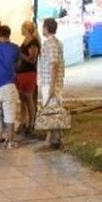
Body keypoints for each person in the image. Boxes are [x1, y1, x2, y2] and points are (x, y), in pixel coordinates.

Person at [37, 17, 65, 149]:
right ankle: (56, 137)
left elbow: (54, 64)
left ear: (47, 28)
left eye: (43, 26)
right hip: (50, 81)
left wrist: (52, 86)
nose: (42, 29)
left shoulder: (51, 44)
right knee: (54, 109)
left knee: (51, 110)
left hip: (50, 82)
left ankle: (51, 138)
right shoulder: (55, 42)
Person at [15, 21, 39, 136]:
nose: (21, 29)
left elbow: (32, 59)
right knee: (22, 99)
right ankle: (23, 121)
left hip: (29, 72)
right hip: (21, 72)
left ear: (26, 28)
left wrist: (20, 55)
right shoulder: (26, 41)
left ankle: (31, 122)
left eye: (22, 27)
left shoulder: (33, 42)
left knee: (28, 98)